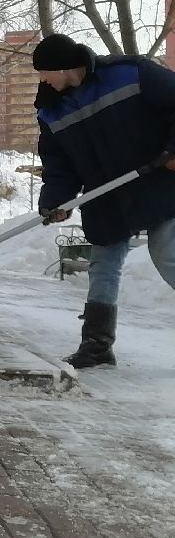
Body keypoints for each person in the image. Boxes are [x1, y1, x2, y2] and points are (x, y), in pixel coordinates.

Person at [30, 33, 175, 368]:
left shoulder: (131, 73)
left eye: (44, 72)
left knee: (168, 254)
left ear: (63, 66)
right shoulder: (51, 111)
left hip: (157, 181)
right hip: (105, 195)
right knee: (103, 265)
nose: (42, 80)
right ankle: (96, 345)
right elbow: (59, 166)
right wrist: (56, 201)